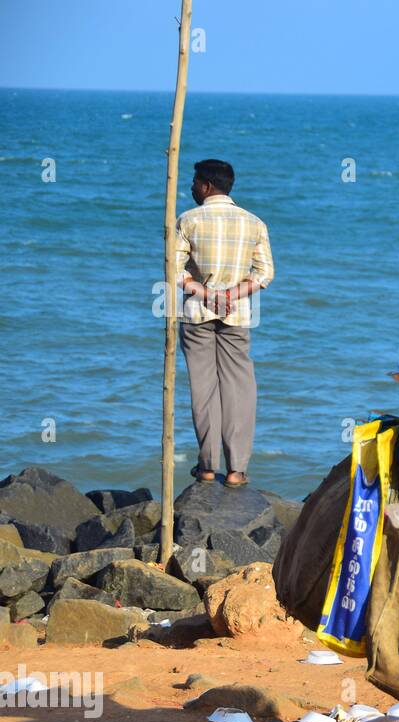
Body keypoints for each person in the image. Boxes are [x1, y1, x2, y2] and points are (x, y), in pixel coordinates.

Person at [172, 159, 274, 488]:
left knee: (204, 389)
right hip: (238, 314)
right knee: (239, 390)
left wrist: (204, 291)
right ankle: (236, 470)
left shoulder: (187, 220)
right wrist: (232, 294)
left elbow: (173, 271)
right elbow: (265, 274)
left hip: (198, 314)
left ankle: (206, 466)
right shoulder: (254, 223)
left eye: (194, 182)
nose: (191, 187)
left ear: (206, 186)